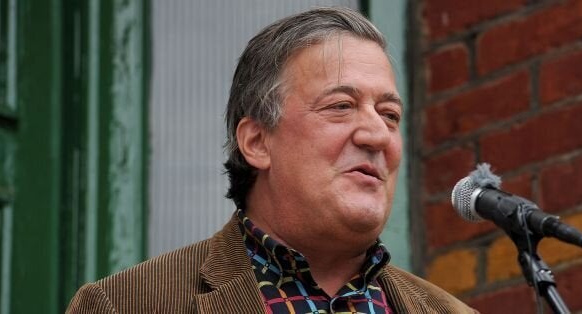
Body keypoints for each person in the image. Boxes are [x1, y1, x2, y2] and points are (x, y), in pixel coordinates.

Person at [67, 7, 476, 313]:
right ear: (257, 142)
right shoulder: (126, 304)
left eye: (390, 115)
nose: (376, 135)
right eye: (340, 106)